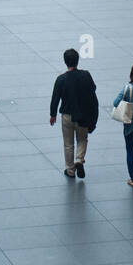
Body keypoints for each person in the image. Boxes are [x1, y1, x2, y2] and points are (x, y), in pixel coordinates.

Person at [50, 47, 99, 178]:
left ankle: (70, 170)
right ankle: (79, 160)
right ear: (77, 61)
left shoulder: (61, 79)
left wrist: (52, 114)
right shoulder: (86, 75)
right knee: (82, 139)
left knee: (68, 143)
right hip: (82, 115)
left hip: (67, 115)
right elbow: (93, 90)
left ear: (65, 62)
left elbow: (55, 98)